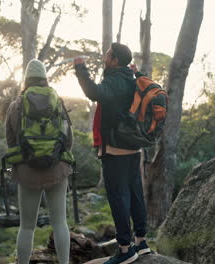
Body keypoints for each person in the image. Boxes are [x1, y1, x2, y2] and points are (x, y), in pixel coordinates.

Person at [73, 43, 150, 264]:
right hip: (133, 147)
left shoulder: (115, 79)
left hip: (115, 148)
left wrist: (81, 69)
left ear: (115, 60)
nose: (105, 56)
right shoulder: (131, 77)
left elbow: (93, 92)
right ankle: (141, 242)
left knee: (119, 198)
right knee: (135, 194)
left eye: (108, 54)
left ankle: (125, 249)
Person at [5, 59, 72, 264]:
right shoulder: (57, 102)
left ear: (26, 80)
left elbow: (10, 141)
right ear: (44, 79)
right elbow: (68, 141)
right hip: (57, 170)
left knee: (26, 227)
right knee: (60, 222)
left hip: (27, 172)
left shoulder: (16, 106)